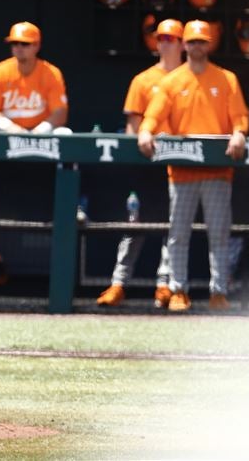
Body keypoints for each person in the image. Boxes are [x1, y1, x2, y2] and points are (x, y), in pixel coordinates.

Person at [138, 20, 248, 312]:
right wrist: (146, 131)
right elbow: (153, 114)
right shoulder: (172, 81)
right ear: (184, 45)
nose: (197, 46)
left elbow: (239, 118)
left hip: (217, 171)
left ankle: (218, 292)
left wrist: (239, 134)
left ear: (209, 44)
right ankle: (178, 290)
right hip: (182, 171)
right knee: (178, 234)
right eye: (192, 41)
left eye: (202, 41)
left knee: (219, 233)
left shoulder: (227, 79)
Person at [96, 19, 181, 309]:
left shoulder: (190, 78)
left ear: (183, 43)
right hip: (147, 164)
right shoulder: (143, 80)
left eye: (172, 37)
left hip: (181, 166)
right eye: (161, 38)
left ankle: (164, 285)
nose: (165, 42)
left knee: (174, 228)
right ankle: (119, 283)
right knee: (135, 226)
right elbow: (133, 128)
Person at [0, 22, 71, 221]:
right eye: (15, 43)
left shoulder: (50, 73)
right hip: (8, 131)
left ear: (36, 46)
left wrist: (42, 128)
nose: (19, 48)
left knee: (66, 135)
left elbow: (60, 112)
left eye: (25, 43)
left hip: (40, 132)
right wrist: (8, 126)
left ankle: (71, 206)